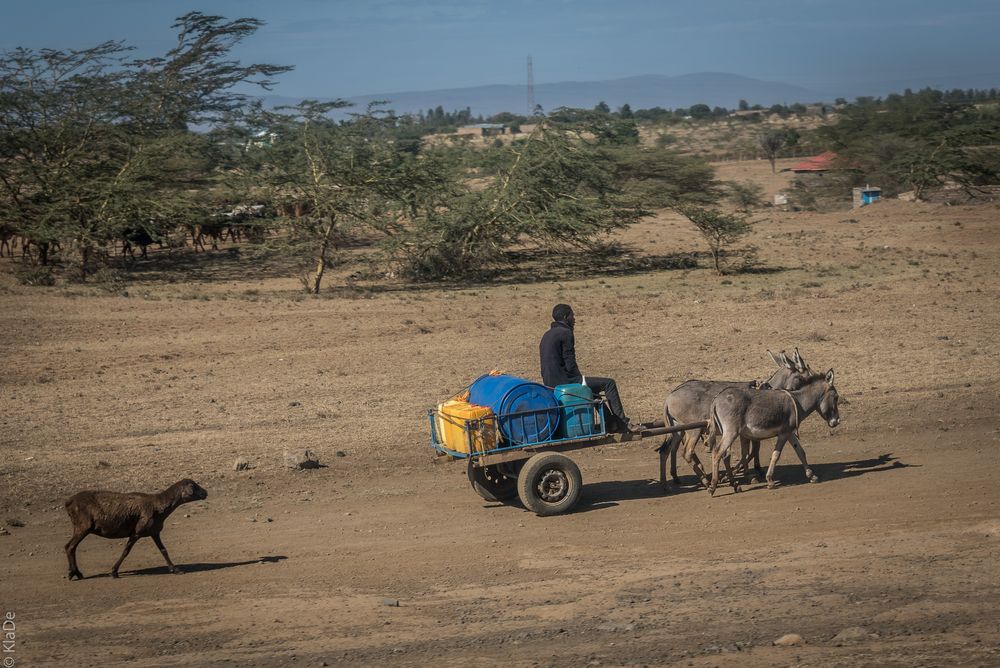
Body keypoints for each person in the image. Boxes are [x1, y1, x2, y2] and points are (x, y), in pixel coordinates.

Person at [539, 303, 637, 433]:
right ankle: (623, 423)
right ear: (565, 317)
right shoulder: (566, 333)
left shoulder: (547, 334)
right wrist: (581, 382)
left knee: (592, 391)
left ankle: (611, 422)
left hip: (550, 383)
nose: (574, 319)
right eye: (572, 315)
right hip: (565, 382)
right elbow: (570, 363)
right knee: (609, 384)